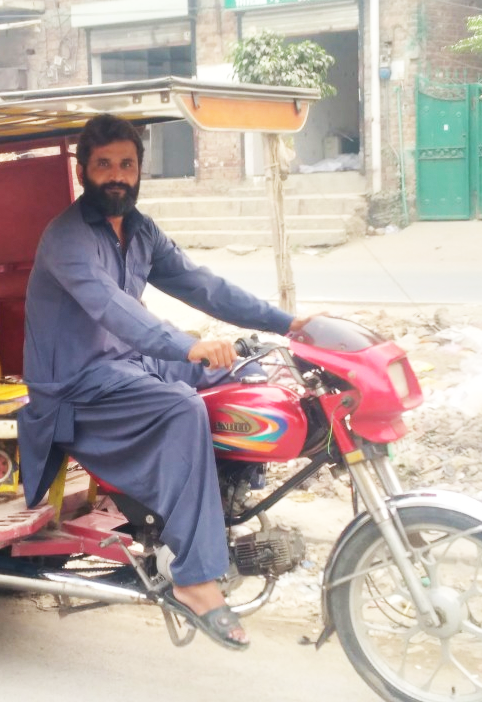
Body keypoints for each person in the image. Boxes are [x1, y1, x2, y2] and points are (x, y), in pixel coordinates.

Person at [18, 114, 309, 650]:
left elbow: (204, 286)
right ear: (83, 169)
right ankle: (195, 579)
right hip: (76, 388)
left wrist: (286, 323)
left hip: (127, 365)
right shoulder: (66, 238)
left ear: (139, 169)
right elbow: (114, 310)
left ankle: (228, 501)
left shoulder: (141, 230)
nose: (116, 176)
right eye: (103, 164)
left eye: (126, 164)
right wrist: (185, 345)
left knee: (242, 369)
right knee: (182, 407)